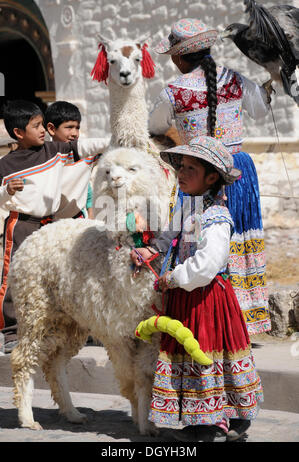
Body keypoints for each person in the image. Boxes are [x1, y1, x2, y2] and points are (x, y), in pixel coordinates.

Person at [131, 135, 264, 442]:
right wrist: (152, 251)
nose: (182, 173)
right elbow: (170, 235)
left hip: (206, 300)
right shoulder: (189, 205)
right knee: (194, 356)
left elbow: (206, 266)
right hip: (187, 300)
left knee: (207, 354)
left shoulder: (216, 217)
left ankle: (213, 422)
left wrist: (174, 278)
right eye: (182, 166)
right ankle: (214, 417)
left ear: (212, 177)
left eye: (191, 168)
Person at [149, 18, 271, 336]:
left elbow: (156, 127)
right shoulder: (233, 79)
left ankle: (206, 318)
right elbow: (260, 110)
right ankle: (243, 318)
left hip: (198, 173)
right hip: (239, 172)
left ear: (177, 57)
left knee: (196, 242)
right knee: (237, 242)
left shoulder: (172, 92)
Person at [0, 100, 108, 352]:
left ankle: (58, 327)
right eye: (36, 126)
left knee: (53, 279)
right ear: (18, 133)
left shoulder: (54, 151)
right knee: (14, 276)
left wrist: (115, 139)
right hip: (22, 225)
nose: (41, 131)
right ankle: (11, 331)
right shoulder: (5, 166)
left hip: (50, 227)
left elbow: (82, 146)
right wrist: (6, 191)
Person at [44, 101, 98, 220]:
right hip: (48, 220)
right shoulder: (43, 158)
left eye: (77, 128)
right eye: (69, 127)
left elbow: (85, 187)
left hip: (76, 219)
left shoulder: (80, 156)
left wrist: (91, 214)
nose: (75, 134)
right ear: (52, 129)